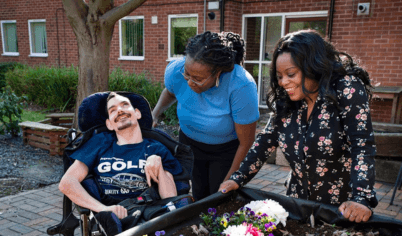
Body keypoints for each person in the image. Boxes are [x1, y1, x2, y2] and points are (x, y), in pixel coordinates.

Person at [219, 29, 378, 223]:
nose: (284, 82)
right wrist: (237, 179)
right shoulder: (287, 101)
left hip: (341, 209)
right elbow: (266, 140)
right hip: (298, 204)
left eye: (291, 74)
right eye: (279, 76)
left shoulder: (346, 88)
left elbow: (361, 145)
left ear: (313, 66)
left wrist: (361, 198)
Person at [152, 31, 260, 201]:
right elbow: (171, 92)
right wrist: (155, 113)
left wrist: (230, 180)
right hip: (189, 143)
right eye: (187, 74)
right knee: (199, 194)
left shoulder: (241, 86)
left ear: (218, 73)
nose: (189, 81)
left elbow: (246, 143)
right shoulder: (176, 70)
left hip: (225, 151)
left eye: (197, 78)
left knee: (219, 200)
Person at [59, 92, 183, 223]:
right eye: (112, 110)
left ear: (137, 113)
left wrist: (160, 168)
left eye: (125, 105)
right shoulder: (99, 143)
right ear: (109, 124)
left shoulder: (156, 148)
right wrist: (103, 209)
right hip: (111, 214)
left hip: (148, 213)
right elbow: (67, 183)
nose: (119, 110)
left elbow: (170, 199)